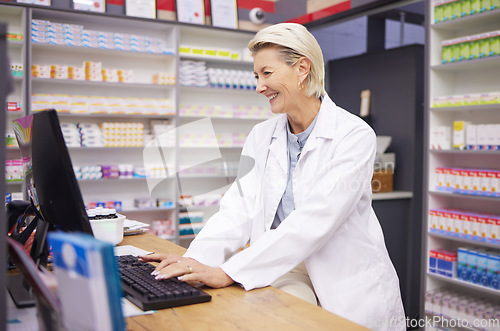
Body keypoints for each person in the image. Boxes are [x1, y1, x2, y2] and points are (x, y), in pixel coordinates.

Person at [140, 23, 405, 330]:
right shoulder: (262, 135)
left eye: (266, 73)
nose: (259, 86)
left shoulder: (354, 135)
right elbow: (238, 208)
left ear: (302, 68)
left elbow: (316, 218)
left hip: (346, 278)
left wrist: (228, 272)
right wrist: (197, 260)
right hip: (282, 267)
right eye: (257, 76)